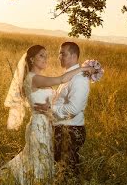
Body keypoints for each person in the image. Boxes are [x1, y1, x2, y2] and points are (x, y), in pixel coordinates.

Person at [1, 44, 96, 185]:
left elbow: (65, 101)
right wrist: (83, 68)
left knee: (43, 159)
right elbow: (61, 79)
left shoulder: (39, 78)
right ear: (31, 59)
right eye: (41, 55)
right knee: (38, 159)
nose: (46, 58)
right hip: (39, 125)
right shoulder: (34, 78)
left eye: (46, 55)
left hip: (47, 126)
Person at [34, 41, 90, 177]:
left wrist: (50, 108)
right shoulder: (69, 76)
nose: (59, 56)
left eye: (62, 54)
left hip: (70, 130)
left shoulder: (79, 79)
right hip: (62, 128)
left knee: (68, 172)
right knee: (61, 169)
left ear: (73, 56)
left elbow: (74, 108)